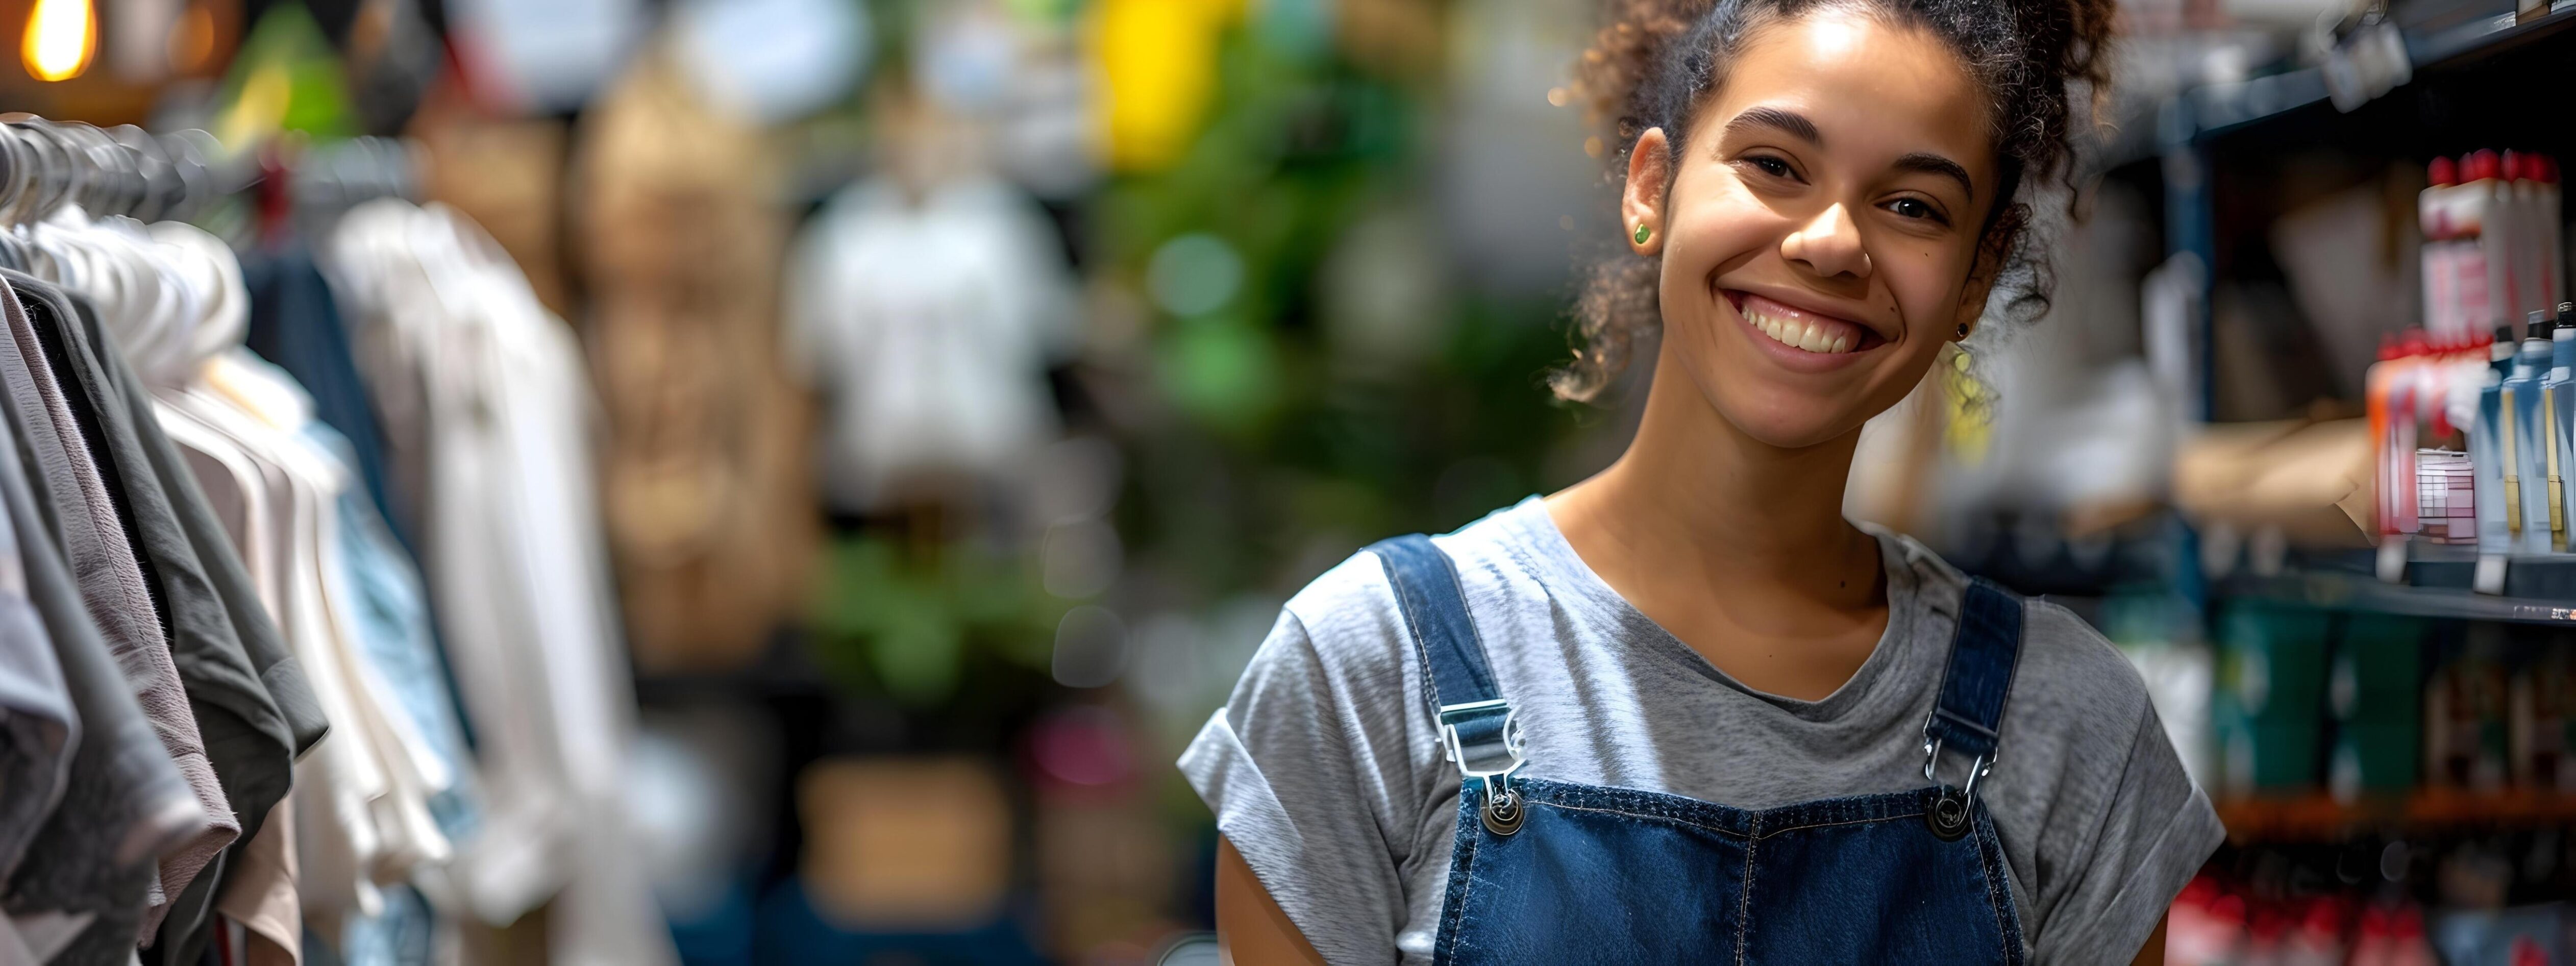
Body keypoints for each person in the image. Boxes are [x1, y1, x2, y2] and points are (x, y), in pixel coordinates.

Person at [1179, 0, 2224, 962]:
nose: (1829, 242)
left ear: (1973, 282)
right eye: (1774, 164)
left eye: (1911, 204)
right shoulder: (1371, 670)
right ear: (1650, 188)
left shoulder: (2072, 727)